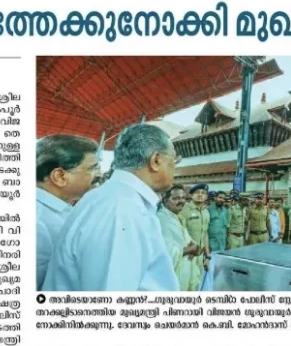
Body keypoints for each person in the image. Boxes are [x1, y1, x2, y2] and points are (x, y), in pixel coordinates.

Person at [42, 124, 180, 291]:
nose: (175, 167)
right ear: (156, 160)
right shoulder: (122, 209)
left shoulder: (115, 199)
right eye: (174, 160)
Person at [35, 134, 99, 290]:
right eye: (92, 168)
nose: (99, 175)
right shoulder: (38, 223)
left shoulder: (60, 209)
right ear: (59, 176)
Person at [157, 185, 202, 290]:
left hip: (185, 269)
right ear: (166, 201)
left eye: (183, 198)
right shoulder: (162, 219)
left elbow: (187, 241)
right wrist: (190, 249)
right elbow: (165, 252)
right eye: (176, 198)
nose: (181, 201)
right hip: (174, 274)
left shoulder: (176, 216)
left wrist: (194, 247)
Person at [180, 184, 211, 274]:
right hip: (187, 257)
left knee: (197, 284)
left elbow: (205, 234)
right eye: (197, 192)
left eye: (203, 193)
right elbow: (180, 234)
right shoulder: (184, 210)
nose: (200, 195)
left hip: (200, 256)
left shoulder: (206, 212)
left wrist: (207, 256)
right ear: (191, 195)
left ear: (206, 196)